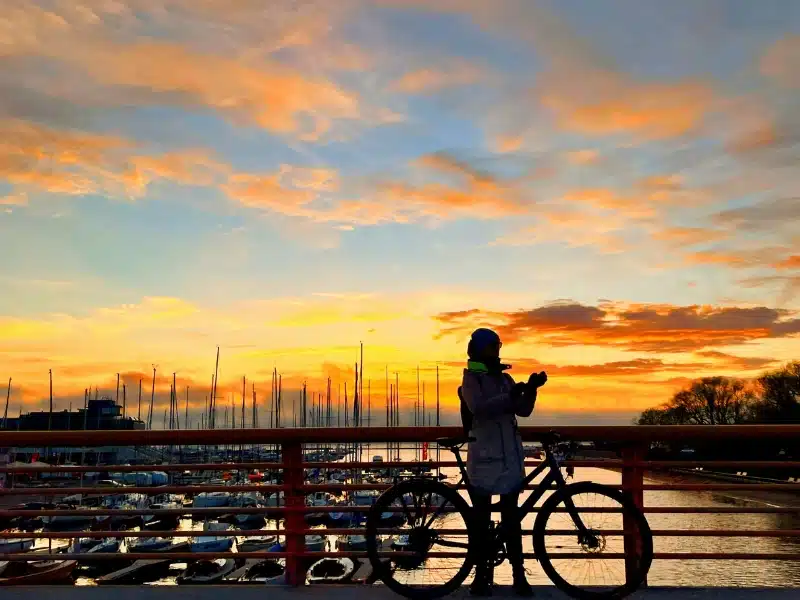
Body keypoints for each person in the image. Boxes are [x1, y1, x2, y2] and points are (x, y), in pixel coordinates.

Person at [459, 328, 547, 597]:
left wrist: (530, 389)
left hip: (509, 458)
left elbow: (524, 410)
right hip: (484, 458)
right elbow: (480, 409)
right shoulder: (472, 379)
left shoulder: (505, 378)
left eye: (498, 345)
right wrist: (511, 396)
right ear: (481, 349)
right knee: (482, 521)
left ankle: (518, 575)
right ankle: (481, 576)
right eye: (494, 346)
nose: (498, 350)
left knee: (512, 521)